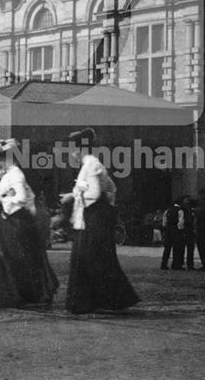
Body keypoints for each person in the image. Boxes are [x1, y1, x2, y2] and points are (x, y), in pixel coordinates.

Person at [0, 138, 58, 308]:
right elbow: (5, 194)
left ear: (7, 159)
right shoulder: (10, 175)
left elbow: (19, 198)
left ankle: (10, 296)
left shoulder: (16, 175)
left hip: (17, 222)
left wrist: (0, 199)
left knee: (13, 258)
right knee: (1, 257)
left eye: (0, 159)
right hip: (10, 221)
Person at [64, 129, 139, 314]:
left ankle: (90, 301)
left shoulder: (91, 164)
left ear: (78, 150)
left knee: (89, 260)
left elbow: (95, 192)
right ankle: (103, 299)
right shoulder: (88, 165)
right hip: (92, 218)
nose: (71, 154)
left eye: (72, 150)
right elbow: (111, 187)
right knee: (95, 260)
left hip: (93, 220)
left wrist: (73, 195)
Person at [160, 198, 186, 270]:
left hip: (168, 230)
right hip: (176, 230)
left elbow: (164, 221)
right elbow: (181, 221)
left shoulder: (168, 210)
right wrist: (181, 229)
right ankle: (175, 264)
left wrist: (165, 227)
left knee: (167, 248)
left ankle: (164, 264)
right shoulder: (180, 210)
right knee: (176, 248)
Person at [181, 196, 196, 269]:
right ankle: (182, 263)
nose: (187, 203)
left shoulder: (191, 210)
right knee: (183, 248)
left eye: (188, 202)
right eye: (186, 202)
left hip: (190, 231)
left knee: (190, 248)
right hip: (185, 230)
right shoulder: (182, 210)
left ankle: (190, 264)